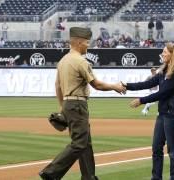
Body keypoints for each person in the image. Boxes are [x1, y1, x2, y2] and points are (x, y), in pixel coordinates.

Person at [39, 27, 126, 180]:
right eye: (87, 42)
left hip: (68, 103)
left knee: (86, 143)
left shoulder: (63, 61)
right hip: (78, 105)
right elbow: (97, 85)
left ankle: (89, 176)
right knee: (79, 143)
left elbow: (58, 86)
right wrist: (115, 87)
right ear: (79, 42)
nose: (88, 45)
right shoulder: (80, 61)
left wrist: (62, 107)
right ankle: (50, 173)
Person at [121, 43, 174, 180]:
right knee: (156, 148)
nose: (162, 54)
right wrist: (127, 86)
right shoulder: (164, 71)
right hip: (163, 113)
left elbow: (161, 93)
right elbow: (147, 84)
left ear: (172, 54)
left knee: (172, 151)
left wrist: (141, 100)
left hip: (173, 114)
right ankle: (156, 177)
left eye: (164, 52)